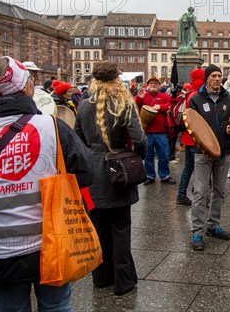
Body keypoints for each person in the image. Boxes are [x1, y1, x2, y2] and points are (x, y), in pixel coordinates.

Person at [0, 56, 94, 311]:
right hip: (50, 241)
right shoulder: (51, 126)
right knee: (56, 307)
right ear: (25, 88)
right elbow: (86, 171)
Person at [74, 61, 146, 296]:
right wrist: (137, 157)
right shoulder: (123, 103)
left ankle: (101, 278)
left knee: (99, 228)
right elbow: (139, 139)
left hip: (93, 174)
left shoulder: (83, 105)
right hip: (118, 173)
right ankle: (123, 281)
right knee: (121, 228)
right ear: (117, 79)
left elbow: (78, 138)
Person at [189, 64, 230, 251]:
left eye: (220, 75)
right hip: (202, 153)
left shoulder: (229, 98)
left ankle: (213, 225)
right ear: (206, 79)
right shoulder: (196, 99)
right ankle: (197, 231)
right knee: (200, 192)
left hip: (224, 151)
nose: (218, 79)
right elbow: (190, 122)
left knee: (219, 191)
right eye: (214, 75)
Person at [135, 76, 174, 185]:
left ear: (159, 85)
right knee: (148, 156)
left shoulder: (164, 96)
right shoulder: (143, 96)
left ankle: (164, 175)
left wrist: (159, 106)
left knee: (164, 155)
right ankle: (149, 176)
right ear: (147, 85)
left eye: (156, 83)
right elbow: (134, 105)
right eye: (151, 83)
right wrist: (139, 98)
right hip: (147, 132)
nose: (153, 85)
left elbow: (170, 105)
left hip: (161, 132)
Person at [176, 67, 205, 206]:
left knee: (188, 167)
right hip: (196, 137)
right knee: (200, 168)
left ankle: (181, 194)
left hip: (187, 137)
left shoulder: (189, 93)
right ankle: (200, 196)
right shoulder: (197, 95)